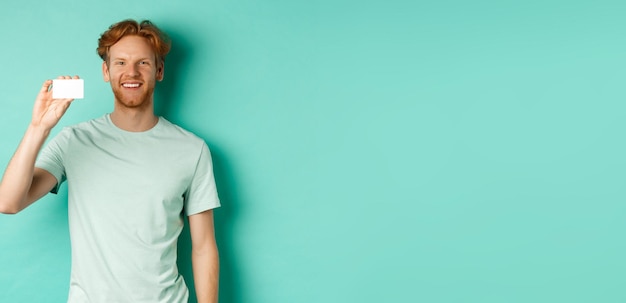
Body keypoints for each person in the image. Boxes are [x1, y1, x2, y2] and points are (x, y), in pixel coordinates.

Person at [0, 19, 220, 303]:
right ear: (106, 71)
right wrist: (38, 128)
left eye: (143, 63)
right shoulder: (73, 140)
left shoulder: (192, 149)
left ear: (160, 70)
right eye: (120, 63)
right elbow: (8, 202)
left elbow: (203, 248)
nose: (131, 72)